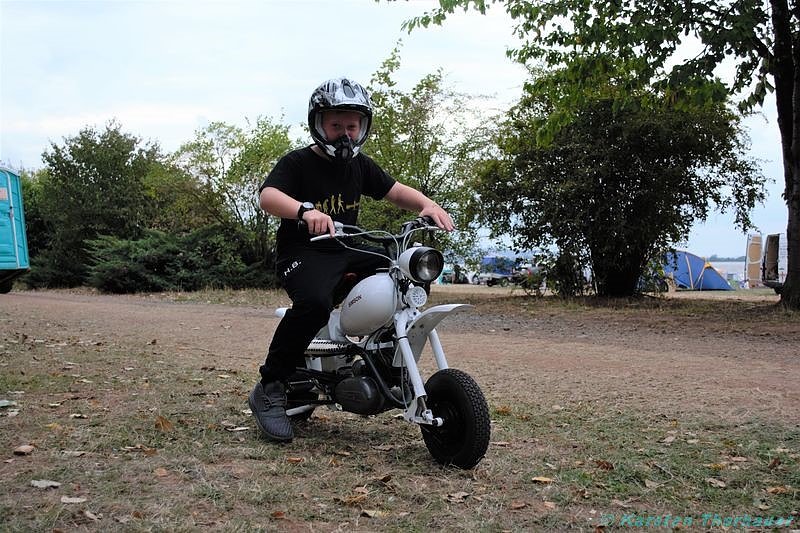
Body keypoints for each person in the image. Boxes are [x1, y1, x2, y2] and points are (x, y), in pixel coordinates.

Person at [249, 77, 454, 442]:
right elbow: (268, 197)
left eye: (352, 126)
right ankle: (271, 386)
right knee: (314, 305)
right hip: (303, 252)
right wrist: (304, 211)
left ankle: (384, 364)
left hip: (346, 251)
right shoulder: (298, 162)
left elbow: (395, 192)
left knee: (401, 277)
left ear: (362, 127)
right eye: (335, 125)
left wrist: (427, 204)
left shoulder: (361, 166)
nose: (344, 134)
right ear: (318, 125)